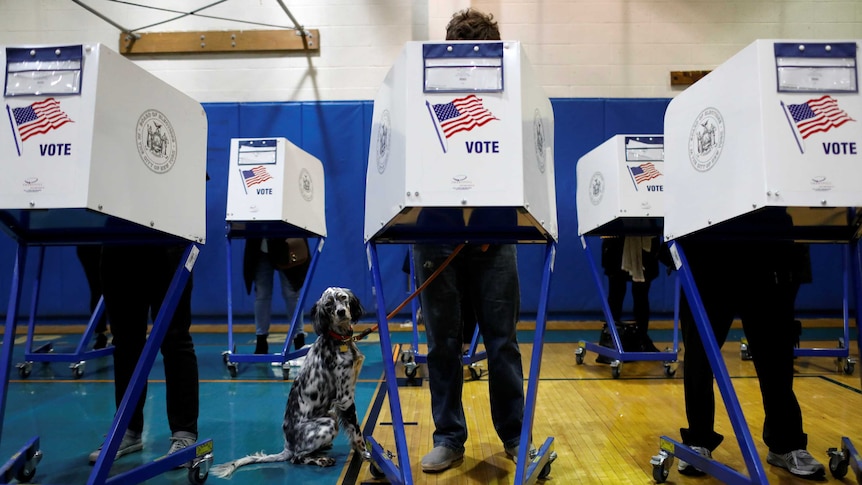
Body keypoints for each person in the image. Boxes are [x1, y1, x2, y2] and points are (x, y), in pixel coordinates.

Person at [412, 8, 529, 474]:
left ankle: (516, 435)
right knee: (442, 343)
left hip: (495, 234)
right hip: (435, 232)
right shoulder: (422, 93)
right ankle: (448, 437)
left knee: (502, 342)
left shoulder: (511, 97)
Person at [675, 208, 825, 479]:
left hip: (767, 244)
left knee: (776, 355)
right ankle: (697, 440)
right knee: (699, 355)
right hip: (707, 246)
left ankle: (785, 444)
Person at [88, 243, 199, 466]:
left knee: (175, 339)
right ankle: (127, 430)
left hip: (169, 242)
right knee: (126, 343)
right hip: (119, 245)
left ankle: (184, 433)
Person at [242, 238, 310, 354]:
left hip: (287, 242)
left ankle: (299, 339)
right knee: (262, 294)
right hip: (259, 244)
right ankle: (261, 341)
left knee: (292, 293)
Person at [599, 236, 662, 355]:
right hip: (616, 239)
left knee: (641, 292)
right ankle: (610, 337)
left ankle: (642, 338)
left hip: (645, 240)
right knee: (616, 291)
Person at [76, 245, 108, 349]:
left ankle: (101, 334)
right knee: (97, 290)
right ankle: (101, 334)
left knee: (97, 290)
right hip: (91, 246)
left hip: (104, 244)